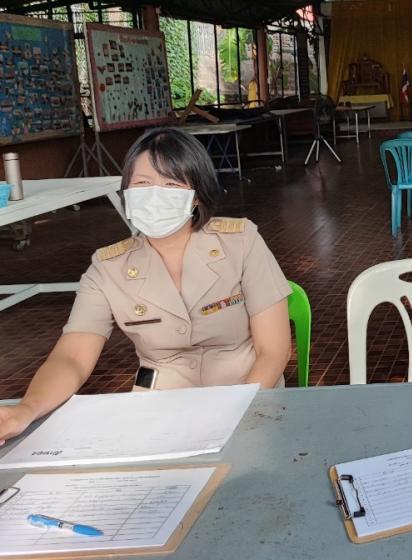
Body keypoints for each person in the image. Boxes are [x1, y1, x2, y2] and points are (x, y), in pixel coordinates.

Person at [0, 127, 292, 446]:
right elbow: (72, 357)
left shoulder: (241, 243)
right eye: (142, 183)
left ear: (196, 196)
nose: (154, 195)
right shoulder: (108, 267)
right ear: (126, 191)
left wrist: (237, 413)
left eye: (171, 184)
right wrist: (26, 410)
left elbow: (273, 350)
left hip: (251, 399)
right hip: (160, 413)